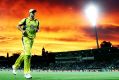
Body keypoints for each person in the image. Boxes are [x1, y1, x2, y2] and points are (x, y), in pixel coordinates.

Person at [12, 9, 39, 79]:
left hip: (32, 39)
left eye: (34, 12)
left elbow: (37, 29)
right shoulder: (25, 20)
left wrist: (36, 30)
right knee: (28, 55)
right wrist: (22, 31)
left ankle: (15, 66)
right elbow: (18, 26)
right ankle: (26, 73)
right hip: (25, 38)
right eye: (32, 12)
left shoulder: (37, 21)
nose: (33, 14)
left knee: (24, 53)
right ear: (29, 13)